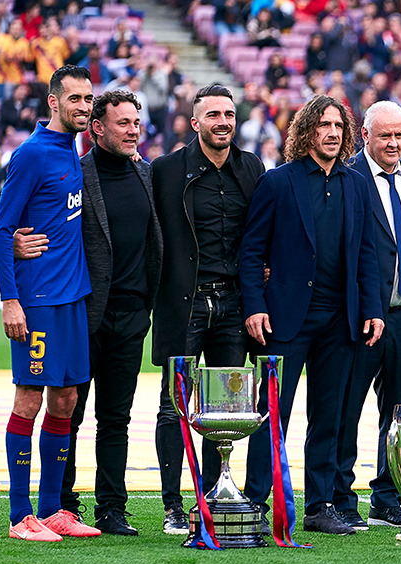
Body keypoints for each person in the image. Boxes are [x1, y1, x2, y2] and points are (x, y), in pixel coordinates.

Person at [13, 90, 161, 536]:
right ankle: (62, 504)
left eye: (137, 123)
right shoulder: (76, 173)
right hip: (82, 311)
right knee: (68, 410)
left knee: (116, 418)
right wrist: (19, 245)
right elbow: (32, 222)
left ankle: (112, 508)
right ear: (97, 128)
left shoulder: (148, 175)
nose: (133, 130)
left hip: (133, 315)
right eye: (124, 123)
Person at [239, 95, 385, 536]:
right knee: (273, 415)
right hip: (284, 319)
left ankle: (320, 506)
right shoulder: (278, 182)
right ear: (306, 130)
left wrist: (373, 309)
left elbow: (366, 254)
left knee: (330, 417)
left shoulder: (357, 184)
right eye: (324, 125)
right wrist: (255, 306)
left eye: (339, 126)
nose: (333, 133)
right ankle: (256, 502)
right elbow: (251, 252)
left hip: (341, 320)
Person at [0, 64, 102, 541]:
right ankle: (21, 517)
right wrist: (9, 300)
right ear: (54, 102)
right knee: (30, 397)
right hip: (35, 300)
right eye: (74, 98)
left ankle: (54, 510)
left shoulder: (73, 153)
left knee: (67, 399)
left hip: (72, 298)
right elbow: (1, 229)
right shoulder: (33, 155)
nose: (83, 106)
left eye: (88, 99)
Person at [150, 85, 265, 535]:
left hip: (234, 304)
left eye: (229, 114)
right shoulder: (166, 170)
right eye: (213, 114)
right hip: (185, 301)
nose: (223, 121)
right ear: (194, 123)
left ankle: (215, 496)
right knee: (173, 405)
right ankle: (172, 505)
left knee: (224, 407)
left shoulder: (251, 167)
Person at [334, 101, 401, 530]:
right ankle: (340, 497)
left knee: (398, 410)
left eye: (399, 135)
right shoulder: (347, 176)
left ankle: (386, 494)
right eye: (385, 135)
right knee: (348, 406)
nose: (394, 143)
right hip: (362, 315)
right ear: (365, 135)